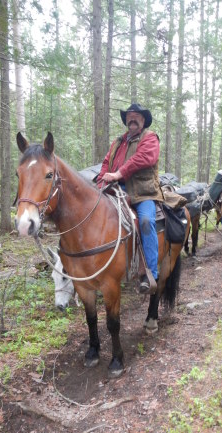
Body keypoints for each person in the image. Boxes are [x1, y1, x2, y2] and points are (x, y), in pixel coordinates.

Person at [97, 103, 163, 293]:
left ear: (143, 120)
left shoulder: (150, 138)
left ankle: (149, 273)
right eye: (129, 116)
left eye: (137, 117)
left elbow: (143, 159)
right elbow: (106, 163)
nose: (132, 119)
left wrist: (119, 173)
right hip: (117, 190)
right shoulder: (118, 142)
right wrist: (101, 181)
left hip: (143, 192)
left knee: (145, 221)